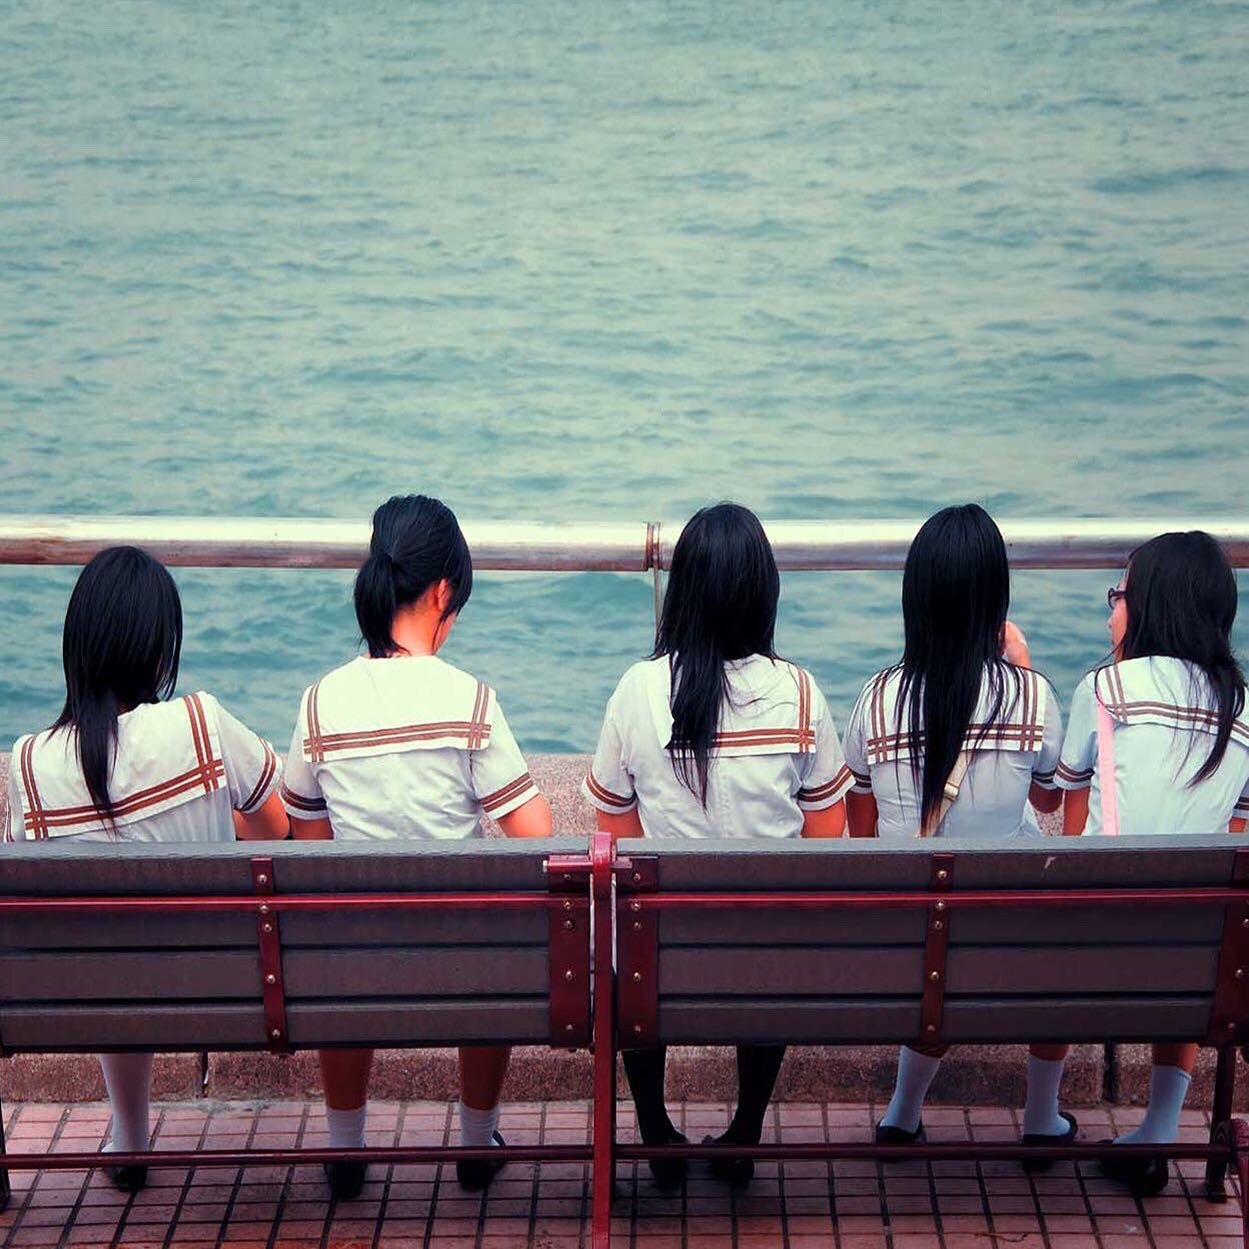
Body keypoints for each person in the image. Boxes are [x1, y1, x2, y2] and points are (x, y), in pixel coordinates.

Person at [281, 494, 553, 1201]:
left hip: (348, 963)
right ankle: (474, 1136)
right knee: (503, 927)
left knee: (331, 925)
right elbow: (538, 835)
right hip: (461, 957)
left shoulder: (319, 702)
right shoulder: (468, 700)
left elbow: (309, 845)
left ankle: (345, 1148)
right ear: (440, 592)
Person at [582, 502, 851, 1189]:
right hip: (767, 960)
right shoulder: (799, 692)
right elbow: (825, 836)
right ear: (764, 591)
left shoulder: (639, 688)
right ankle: (744, 1128)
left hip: (657, 959)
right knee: (776, 924)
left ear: (683, 593)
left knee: (631, 928)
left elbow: (611, 829)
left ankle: (653, 1127)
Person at [4, 546, 287, 1192]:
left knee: (111, 946)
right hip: (227, 983)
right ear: (160, 653)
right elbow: (275, 827)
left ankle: (129, 1136)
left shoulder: (29, 765)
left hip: (85, 998)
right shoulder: (201, 723)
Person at [840, 504, 1070, 1160]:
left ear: (914, 597)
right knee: (1061, 925)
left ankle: (901, 1111)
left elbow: (859, 828)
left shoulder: (875, 697)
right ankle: (1041, 1116)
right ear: (995, 600)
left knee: (938, 924)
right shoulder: (1030, 696)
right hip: (1012, 940)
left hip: (905, 943)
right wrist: (1022, 669)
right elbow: (1048, 798)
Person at [1055, 530, 1249, 1194]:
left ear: (1148, 605)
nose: (1112, 602)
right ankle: (1160, 1121)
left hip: (1092, 942)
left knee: (1050, 910)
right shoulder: (1241, 706)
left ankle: (1037, 1112)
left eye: (1119, 591)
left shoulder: (1105, 686)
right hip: (1200, 965)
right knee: (1209, 915)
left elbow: (1067, 805)